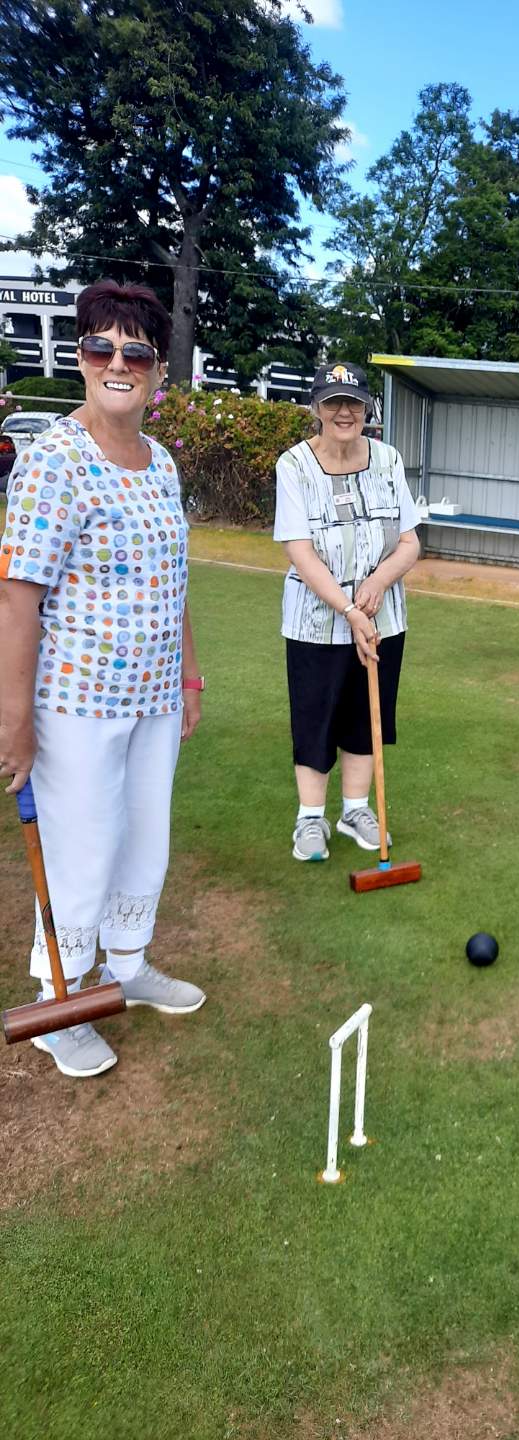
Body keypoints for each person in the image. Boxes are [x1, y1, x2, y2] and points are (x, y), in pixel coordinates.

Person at [0, 280, 206, 1079]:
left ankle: (128, 964)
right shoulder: (54, 459)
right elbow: (18, 597)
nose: (118, 363)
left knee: (144, 838)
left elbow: (174, 579)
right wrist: (15, 721)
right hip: (77, 702)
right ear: (81, 358)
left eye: (136, 352)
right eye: (101, 346)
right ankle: (59, 1002)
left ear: (158, 371)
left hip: (153, 696)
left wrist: (188, 676)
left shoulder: (162, 464)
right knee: (83, 850)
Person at [273, 362, 421, 862]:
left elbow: (409, 542)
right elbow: (299, 549)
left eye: (353, 403)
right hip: (315, 621)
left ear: (366, 409)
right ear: (316, 408)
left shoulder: (388, 459)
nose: (344, 412)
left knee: (365, 715)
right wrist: (347, 608)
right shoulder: (294, 465)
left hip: (383, 618)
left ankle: (356, 810)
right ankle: (310, 818)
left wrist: (377, 583)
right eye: (333, 402)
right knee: (315, 715)